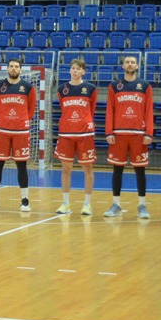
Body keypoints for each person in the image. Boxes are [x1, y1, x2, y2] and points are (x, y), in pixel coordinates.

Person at [104, 55, 154, 219]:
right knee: (117, 169)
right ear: (123, 66)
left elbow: (149, 110)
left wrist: (149, 132)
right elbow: (110, 110)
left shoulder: (145, 86)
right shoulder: (114, 86)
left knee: (140, 170)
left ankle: (142, 205)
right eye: (127, 62)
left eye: (132, 62)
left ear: (137, 66)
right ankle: (116, 204)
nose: (130, 64)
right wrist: (109, 131)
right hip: (119, 133)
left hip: (138, 134)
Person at [0, 58, 36, 212]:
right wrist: (5, 120)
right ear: (7, 69)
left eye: (16, 66)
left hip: (21, 131)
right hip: (2, 131)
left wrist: (21, 121)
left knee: (22, 165)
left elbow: (31, 109)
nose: (14, 69)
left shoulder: (28, 87)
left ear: (21, 69)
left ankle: (25, 200)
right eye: (11, 66)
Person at [54, 58, 97, 215]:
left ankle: (87, 204)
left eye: (78, 68)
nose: (75, 70)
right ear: (69, 70)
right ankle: (65, 204)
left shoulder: (90, 88)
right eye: (73, 68)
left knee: (87, 167)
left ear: (83, 72)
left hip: (85, 133)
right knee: (66, 168)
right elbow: (63, 108)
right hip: (66, 132)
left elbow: (91, 109)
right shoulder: (62, 89)